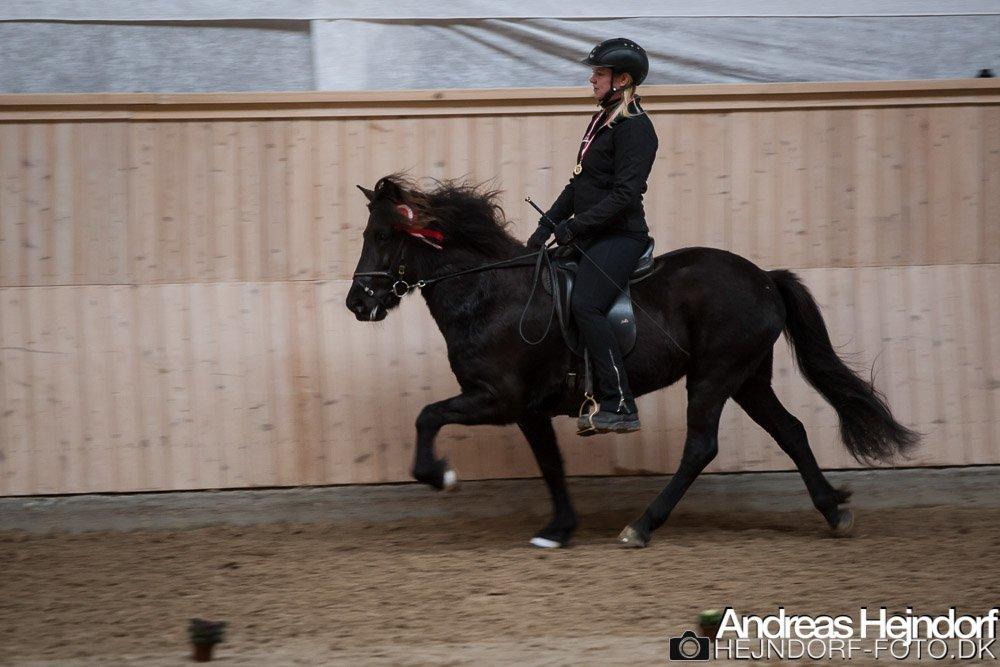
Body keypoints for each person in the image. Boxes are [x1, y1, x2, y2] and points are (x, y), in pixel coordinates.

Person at [526, 37, 657, 434]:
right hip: (591, 235)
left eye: (599, 73)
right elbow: (578, 185)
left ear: (623, 79)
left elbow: (624, 195)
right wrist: (545, 227)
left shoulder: (636, 127)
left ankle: (620, 404)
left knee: (586, 305)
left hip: (620, 237)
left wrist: (576, 226)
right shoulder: (604, 122)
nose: (592, 79)